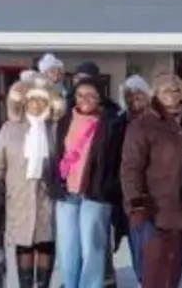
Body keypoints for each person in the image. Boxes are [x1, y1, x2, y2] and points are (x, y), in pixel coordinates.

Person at [120, 72, 182, 288]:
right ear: (155, 93)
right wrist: (136, 204)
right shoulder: (143, 124)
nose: (173, 95)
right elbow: (130, 168)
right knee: (155, 274)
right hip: (153, 212)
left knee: (174, 272)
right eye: (166, 90)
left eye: (176, 90)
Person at [0, 76, 65, 288]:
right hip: (19, 197)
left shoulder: (55, 129)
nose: (37, 105)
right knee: (24, 245)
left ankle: (42, 285)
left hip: (46, 198)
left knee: (45, 243)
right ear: (24, 102)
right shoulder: (9, 129)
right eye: (33, 100)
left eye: (42, 100)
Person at [49, 73, 125, 288]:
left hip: (96, 193)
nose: (85, 99)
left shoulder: (111, 122)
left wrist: (110, 187)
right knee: (67, 246)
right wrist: (54, 182)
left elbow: (117, 158)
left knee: (92, 247)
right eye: (81, 95)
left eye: (91, 95)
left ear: (100, 97)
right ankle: (70, 284)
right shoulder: (64, 119)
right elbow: (55, 154)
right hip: (66, 193)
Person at [72, 61, 124, 287]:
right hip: (71, 190)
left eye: (86, 79)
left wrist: (109, 185)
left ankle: (105, 279)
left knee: (96, 240)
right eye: (77, 81)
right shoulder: (66, 111)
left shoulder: (112, 115)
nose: (81, 85)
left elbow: (117, 154)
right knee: (74, 242)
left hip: (99, 189)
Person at [116, 74, 151, 287]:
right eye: (129, 96)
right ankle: (142, 279)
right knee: (136, 240)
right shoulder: (120, 123)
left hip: (154, 191)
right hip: (128, 193)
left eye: (138, 94)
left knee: (153, 242)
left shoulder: (157, 120)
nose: (134, 100)